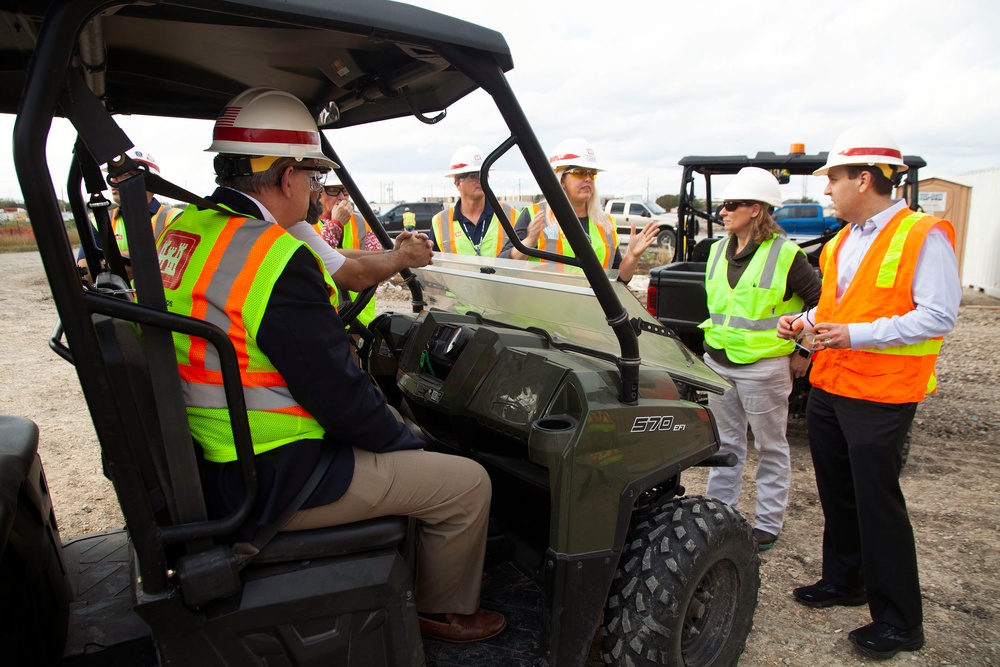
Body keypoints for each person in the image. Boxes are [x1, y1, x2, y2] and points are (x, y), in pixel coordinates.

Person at [155, 86, 505, 643]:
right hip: (275, 478)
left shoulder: (188, 231)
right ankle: (445, 613)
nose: (317, 190)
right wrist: (407, 436)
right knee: (464, 483)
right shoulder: (273, 256)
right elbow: (339, 397)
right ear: (287, 176)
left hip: (214, 457)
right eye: (314, 177)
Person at [777, 125, 960, 660]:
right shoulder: (841, 241)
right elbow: (839, 309)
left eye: (832, 179)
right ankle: (845, 581)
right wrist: (802, 319)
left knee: (878, 504)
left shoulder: (922, 234)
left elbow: (938, 315)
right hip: (834, 385)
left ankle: (901, 622)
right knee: (838, 493)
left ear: (864, 178)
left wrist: (854, 335)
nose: (826, 189)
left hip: (883, 392)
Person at [699, 167, 821, 551]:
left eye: (732, 205)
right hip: (718, 362)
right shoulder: (717, 250)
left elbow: (821, 304)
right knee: (727, 444)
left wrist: (804, 350)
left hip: (763, 367)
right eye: (724, 205)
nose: (724, 211)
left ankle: (767, 524)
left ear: (756, 209)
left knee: (771, 447)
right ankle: (721, 513)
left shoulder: (786, 255)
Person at [498, 138, 658, 283]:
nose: (588, 178)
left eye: (592, 174)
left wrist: (632, 256)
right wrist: (528, 243)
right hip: (545, 313)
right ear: (561, 179)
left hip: (590, 312)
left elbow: (619, 280)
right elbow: (502, 265)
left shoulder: (605, 223)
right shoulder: (534, 215)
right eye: (579, 173)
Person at [79, 148, 182, 277]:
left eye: (125, 174)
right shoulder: (99, 222)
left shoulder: (175, 218)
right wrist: (147, 257)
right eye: (112, 174)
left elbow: (175, 267)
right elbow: (86, 272)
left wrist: (109, 262)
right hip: (116, 298)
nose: (114, 180)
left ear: (149, 180)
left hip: (162, 298)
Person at [429, 145, 518, 257]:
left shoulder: (512, 215)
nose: (480, 180)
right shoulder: (440, 222)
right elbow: (432, 267)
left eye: (484, 175)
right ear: (457, 183)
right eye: (473, 176)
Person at [317, 175, 383, 326]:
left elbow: (379, 261)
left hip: (361, 316)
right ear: (317, 190)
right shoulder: (305, 224)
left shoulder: (362, 221)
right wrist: (336, 224)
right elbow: (315, 261)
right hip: (326, 318)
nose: (341, 197)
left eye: (345, 191)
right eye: (333, 191)